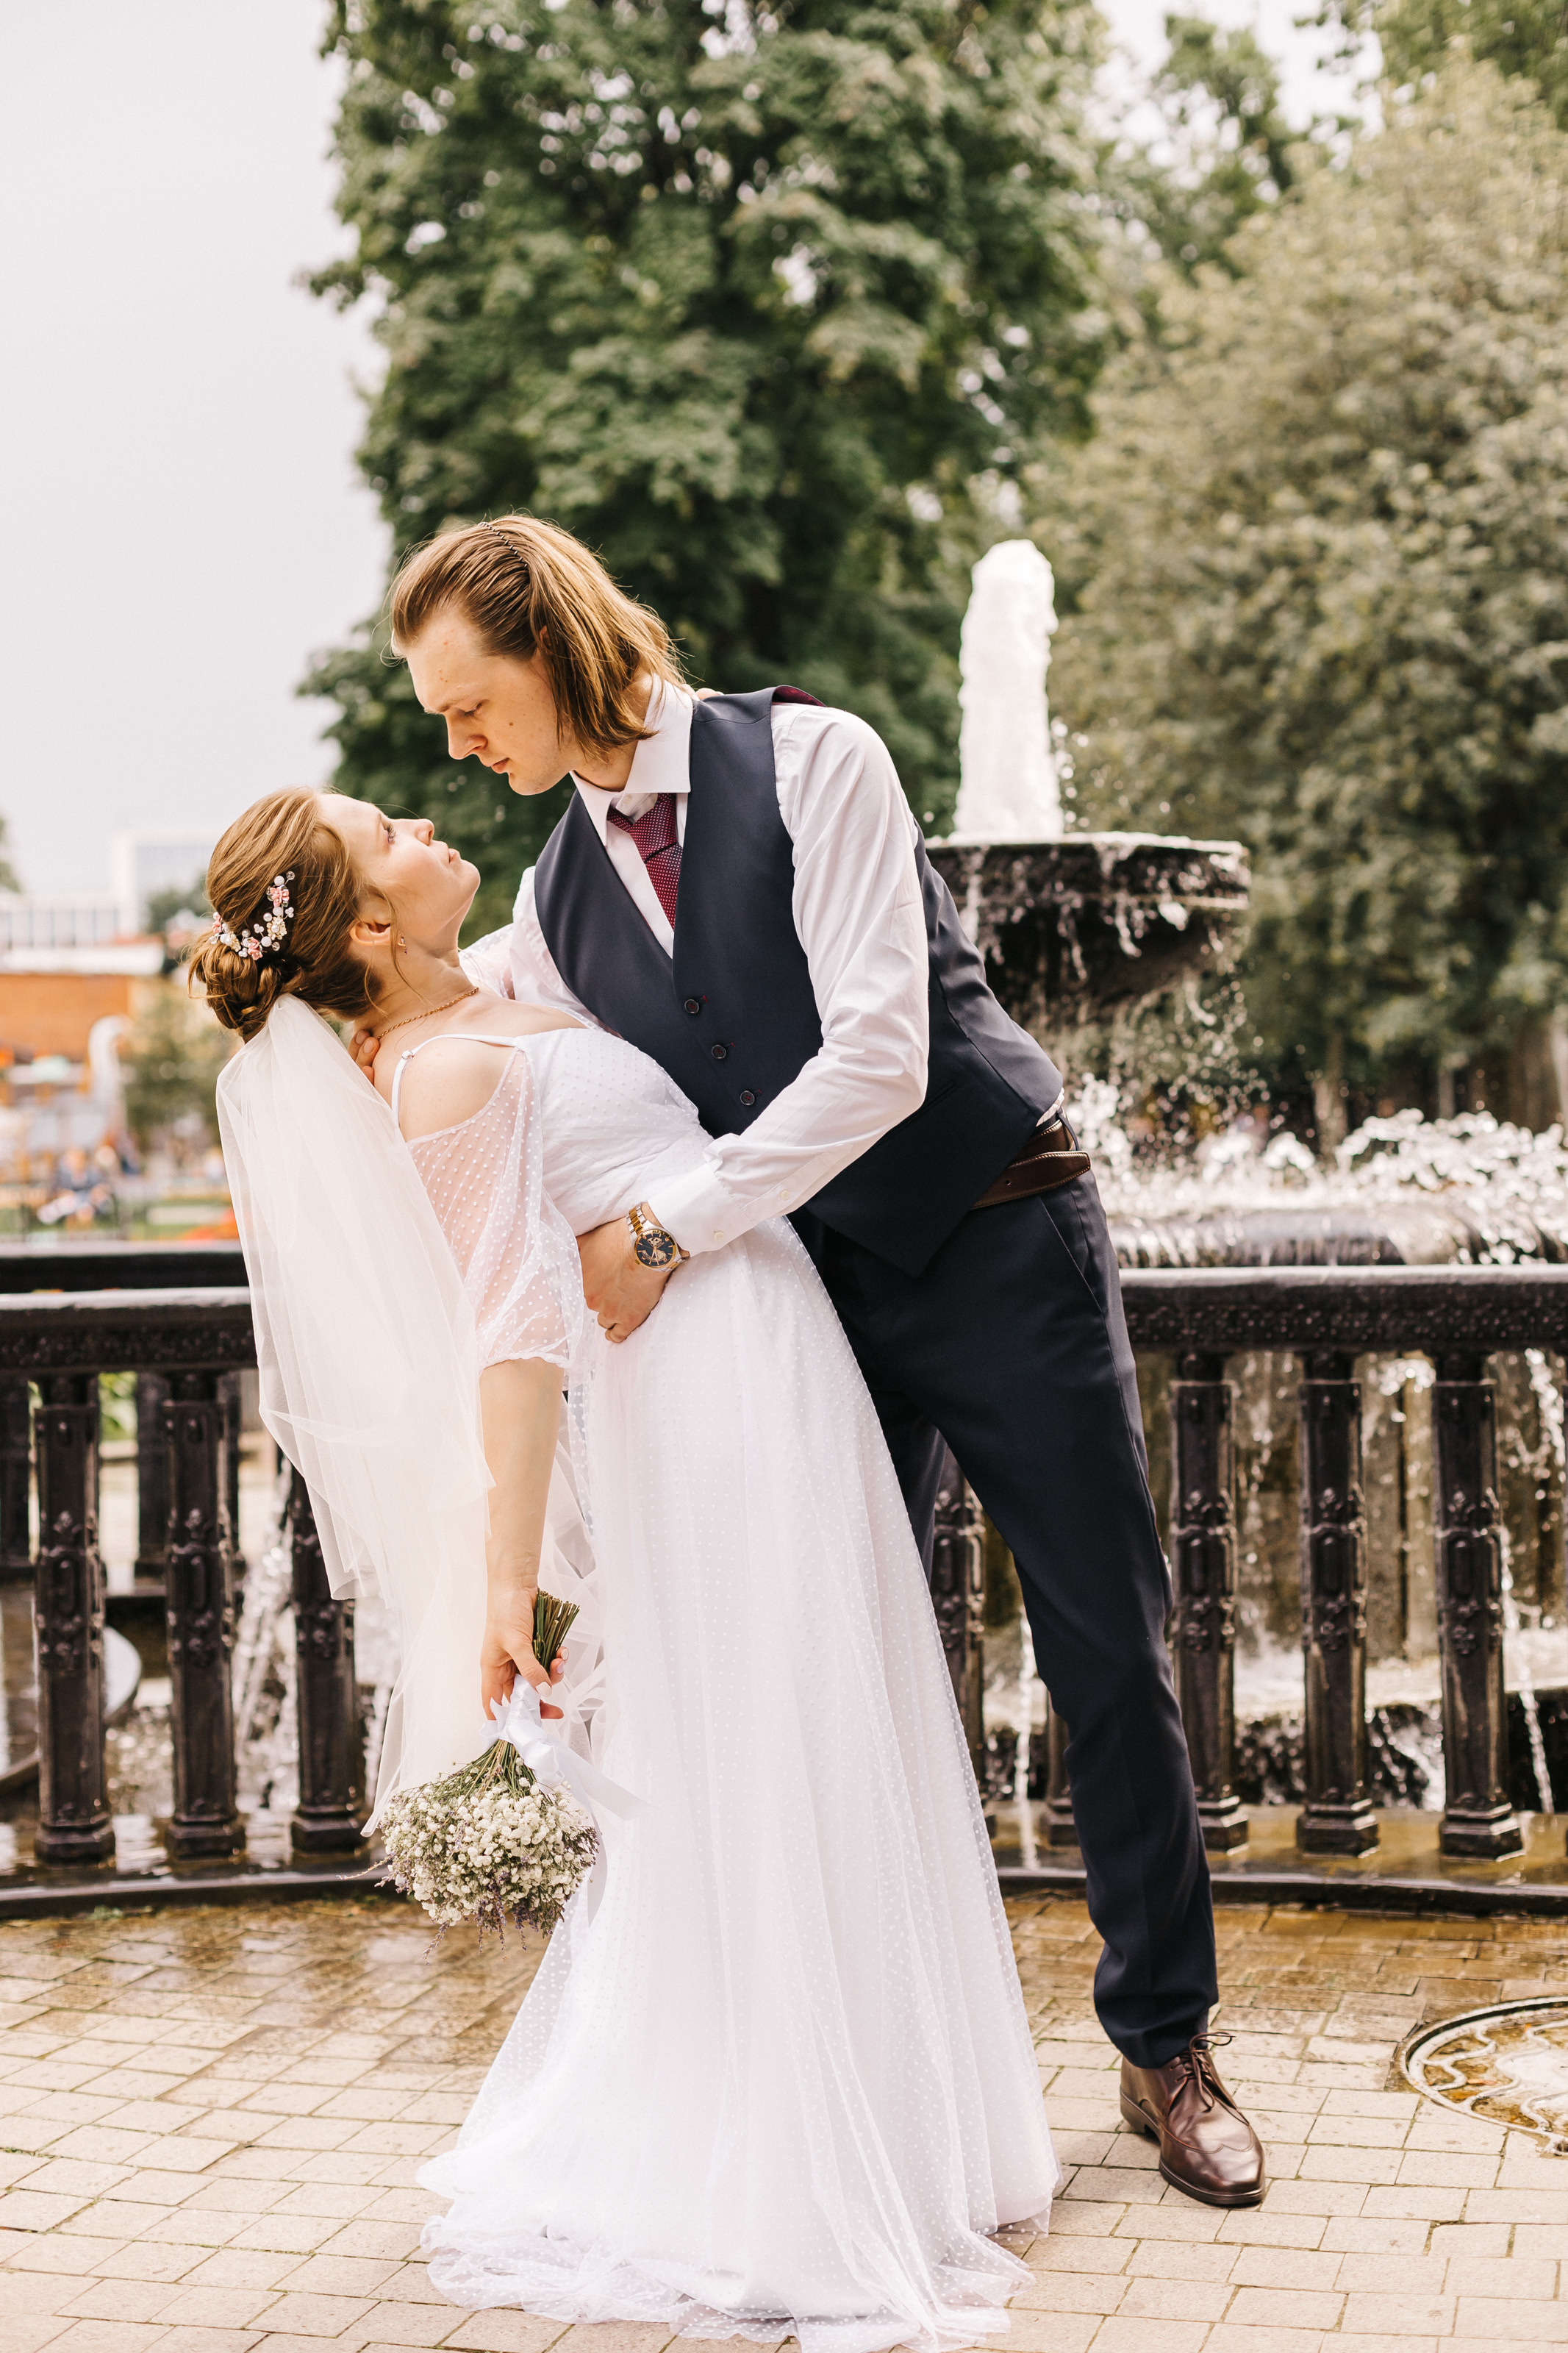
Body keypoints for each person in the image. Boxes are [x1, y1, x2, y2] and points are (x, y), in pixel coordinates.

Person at [367, 513, 1267, 2209]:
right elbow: (441, 1032)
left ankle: (1167, 2047)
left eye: (468, 702)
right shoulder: (555, 901)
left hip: (996, 1234)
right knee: (817, 1653)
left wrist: (659, 1231)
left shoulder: (816, 756)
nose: (457, 742)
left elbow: (879, 1058)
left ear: (554, 651)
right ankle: (876, 2067)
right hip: (808, 1291)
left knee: (1106, 1645)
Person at [195, 785, 1059, 2352]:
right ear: (371, 930)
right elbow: (512, 1334)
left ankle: (903, 2117)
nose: (418, 813)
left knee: (825, 1711)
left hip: (762, 1352)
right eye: (384, 828)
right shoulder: (442, 1073)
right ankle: (781, 2172)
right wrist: (512, 1581)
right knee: (760, 1743)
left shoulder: (511, 987)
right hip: (697, 1404)